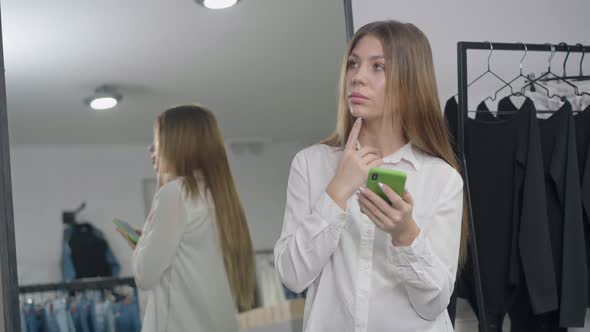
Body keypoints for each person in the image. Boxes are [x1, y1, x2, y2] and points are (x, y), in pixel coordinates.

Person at [274, 20, 466, 331]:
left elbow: (433, 303)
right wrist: (337, 192)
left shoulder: (441, 179)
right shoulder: (311, 164)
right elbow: (292, 275)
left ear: (411, 82)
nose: (357, 77)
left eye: (378, 67)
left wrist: (405, 235)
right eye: (353, 64)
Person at [117, 104, 255, 332]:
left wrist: (142, 242)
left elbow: (144, 275)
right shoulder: (219, 196)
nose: (152, 149)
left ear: (176, 144)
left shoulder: (175, 194)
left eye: (157, 140)